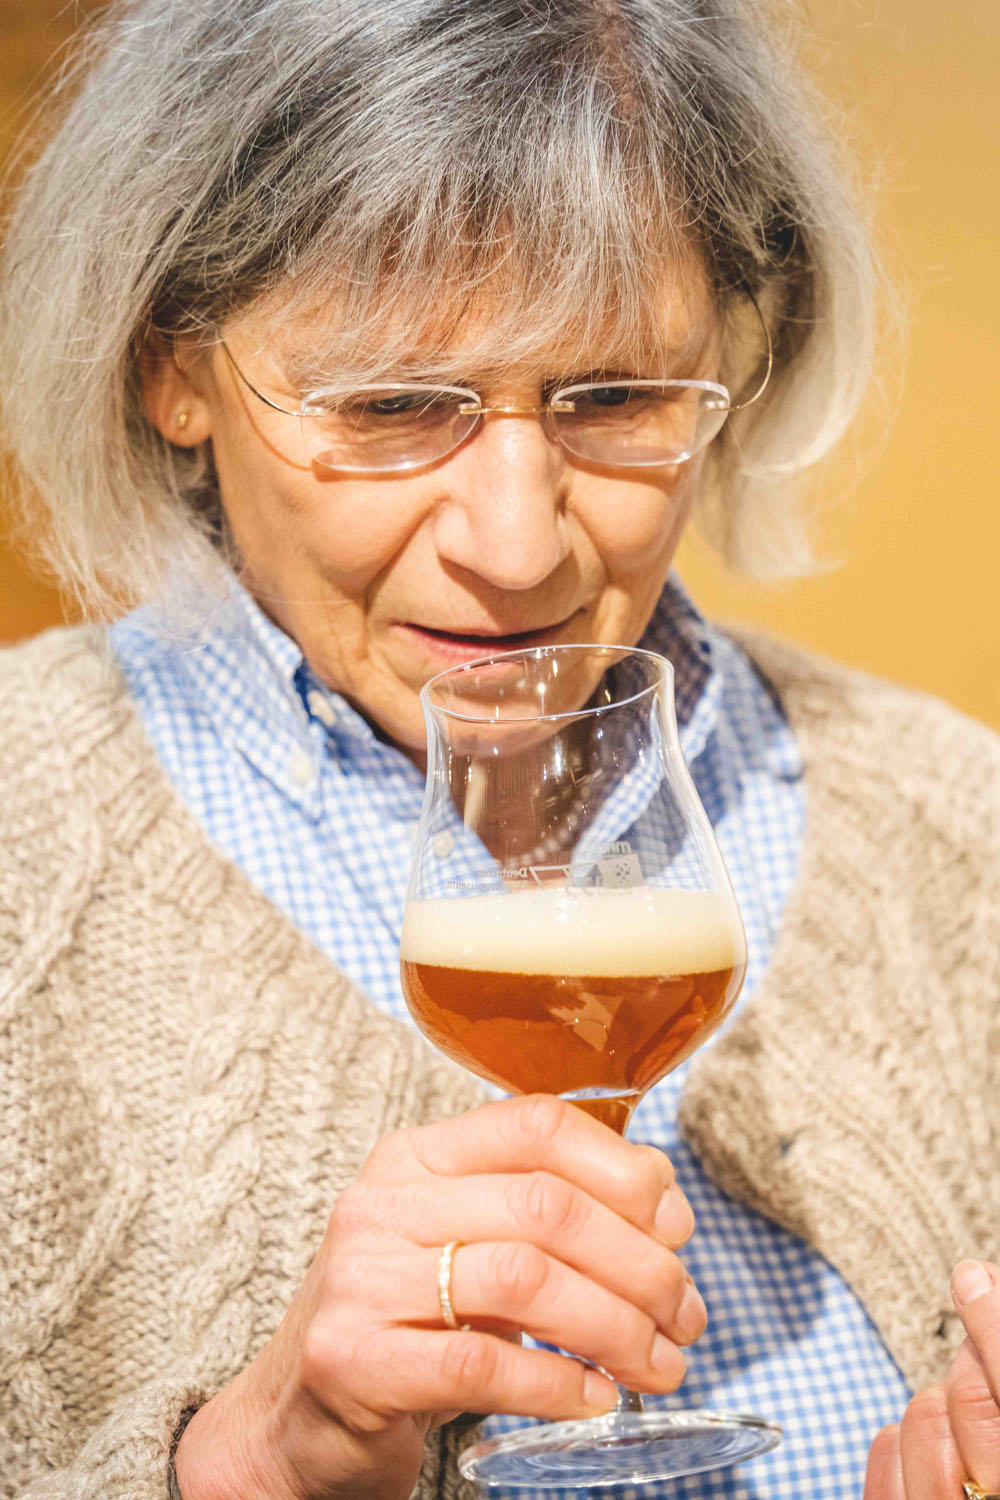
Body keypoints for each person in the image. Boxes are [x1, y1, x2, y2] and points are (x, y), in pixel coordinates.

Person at [0, 1, 997, 1497]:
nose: (516, 546)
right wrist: (256, 1463)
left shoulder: (957, 820)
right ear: (173, 367)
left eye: (614, 399)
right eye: (394, 407)